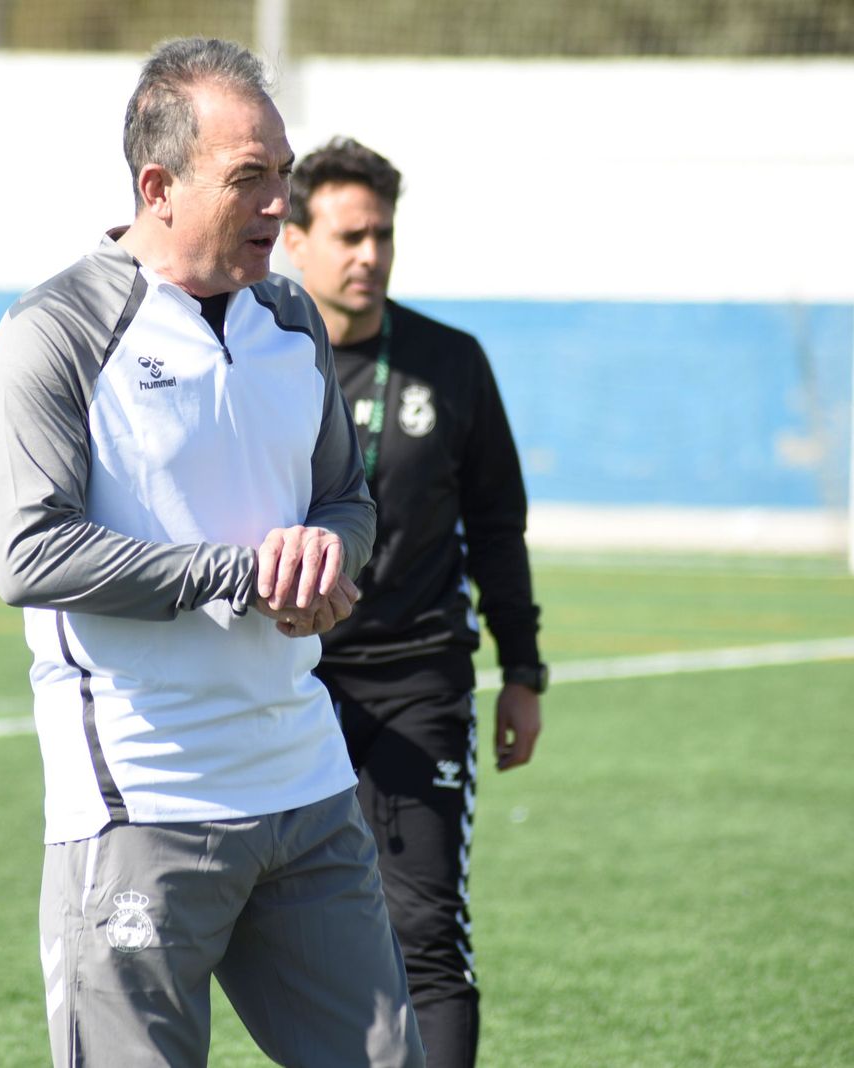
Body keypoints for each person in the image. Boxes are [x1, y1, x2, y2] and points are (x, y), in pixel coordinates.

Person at [0, 40, 426, 1068]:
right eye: (252, 178)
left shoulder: (290, 319)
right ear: (158, 186)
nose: (282, 204)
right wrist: (238, 575)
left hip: (306, 788)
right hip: (141, 800)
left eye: (285, 173)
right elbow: (28, 553)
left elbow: (342, 497)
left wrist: (323, 558)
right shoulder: (53, 331)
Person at [283, 137, 549, 1068]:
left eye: (382, 235)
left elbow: (498, 526)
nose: (369, 255)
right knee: (281, 939)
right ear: (294, 238)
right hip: (285, 687)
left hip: (418, 687)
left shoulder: (452, 363)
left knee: (425, 933)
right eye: (350, 235)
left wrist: (522, 671)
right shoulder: (259, 358)